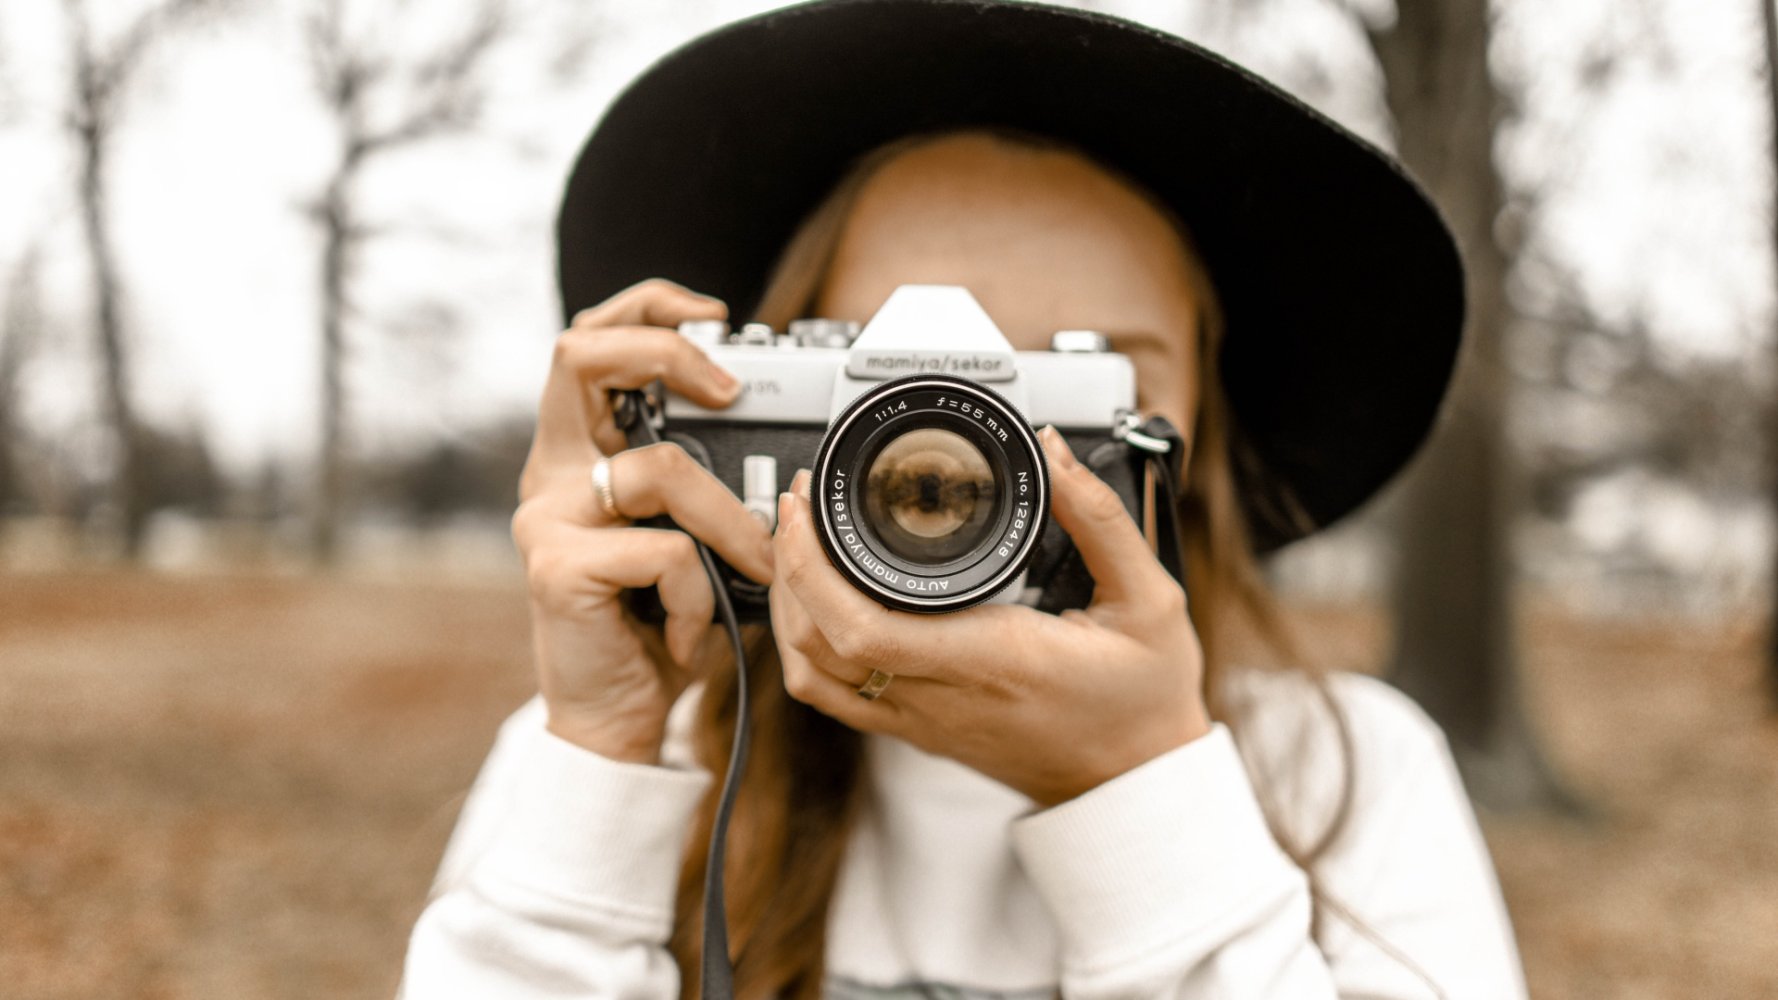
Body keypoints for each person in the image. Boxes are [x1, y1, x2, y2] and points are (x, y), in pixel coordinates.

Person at [399, 2, 1528, 998]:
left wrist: (1139, 784)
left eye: (1078, 378)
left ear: (1187, 439)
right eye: (904, 384)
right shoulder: (637, 753)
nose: (990, 460)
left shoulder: (1347, 771)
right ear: (764, 409)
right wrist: (599, 757)